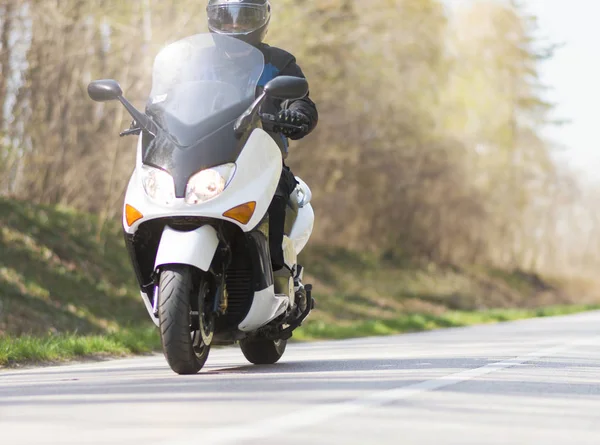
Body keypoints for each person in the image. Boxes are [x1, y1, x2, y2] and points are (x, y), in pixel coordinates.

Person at [207, 0, 319, 303]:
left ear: (262, 20)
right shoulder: (198, 61)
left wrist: (298, 114)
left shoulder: (278, 63)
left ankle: (277, 278)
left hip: (258, 158)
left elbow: (301, 100)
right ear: (213, 19)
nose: (234, 26)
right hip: (203, 155)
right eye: (227, 18)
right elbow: (169, 94)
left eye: (245, 18)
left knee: (278, 193)